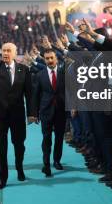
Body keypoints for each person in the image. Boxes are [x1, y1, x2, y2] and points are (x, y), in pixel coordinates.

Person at [0, 42, 36, 190]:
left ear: (15, 53)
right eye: (3, 50)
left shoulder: (24, 69)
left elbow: (29, 94)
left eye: (8, 51)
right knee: (0, 147)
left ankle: (19, 168)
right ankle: (2, 178)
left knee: (19, 145)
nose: (5, 53)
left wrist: (31, 114)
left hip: (17, 115)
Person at [33, 48, 66, 177]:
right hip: (46, 111)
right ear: (44, 60)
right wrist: (34, 113)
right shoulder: (39, 75)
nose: (50, 60)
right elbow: (35, 96)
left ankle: (57, 160)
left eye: (52, 58)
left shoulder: (64, 73)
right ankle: (46, 164)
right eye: (47, 58)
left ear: (56, 58)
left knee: (59, 138)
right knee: (46, 139)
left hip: (61, 110)